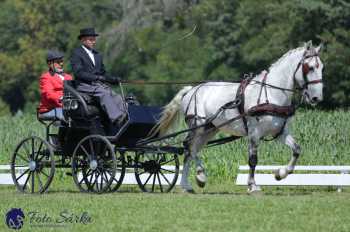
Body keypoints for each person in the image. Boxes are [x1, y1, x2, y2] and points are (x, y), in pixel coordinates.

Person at [70, 27, 126, 134]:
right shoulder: (77, 53)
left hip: (97, 85)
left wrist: (113, 79)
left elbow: (103, 73)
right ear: (83, 40)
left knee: (116, 96)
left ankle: (125, 117)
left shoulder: (97, 55)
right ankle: (117, 119)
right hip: (84, 85)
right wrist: (96, 78)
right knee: (104, 93)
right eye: (91, 39)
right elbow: (79, 73)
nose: (93, 41)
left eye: (94, 39)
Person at [38, 50, 73, 121]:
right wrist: (62, 99)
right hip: (50, 109)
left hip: (68, 107)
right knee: (68, 116)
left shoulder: (68, 77)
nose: (61, 64)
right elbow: (49, 94)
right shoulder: (46, 77)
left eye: (62, 61)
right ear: (49, 64)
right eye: (58, 62)